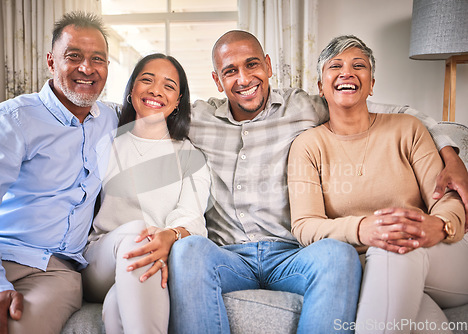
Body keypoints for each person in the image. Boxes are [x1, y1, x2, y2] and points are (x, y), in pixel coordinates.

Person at [168, 30, 468, 334]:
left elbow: (388, 110)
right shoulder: (196, 119)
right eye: (230, 71)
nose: (244, 79)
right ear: (218, 81)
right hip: (227, 255)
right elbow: (147, 115)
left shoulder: (304, 108)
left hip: (291, 254)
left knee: (338, 254)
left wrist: (450, 152)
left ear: (269, 66)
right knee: (187, 250)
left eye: (252, 65)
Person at [288, 35, 468, 334]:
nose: (347, 72)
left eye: (359, 65)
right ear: (320, 86)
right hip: (375, 272)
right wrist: (365, 229)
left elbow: (445, 198)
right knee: (422, 318)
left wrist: (440, 225)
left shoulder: (407, 128)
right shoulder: (308, 145)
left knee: (393, 245)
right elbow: (305, 225)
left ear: (371, 84)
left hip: (438, 254)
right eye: (336, 66)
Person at [0, 12, 118, 334]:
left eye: (98, 59)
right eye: (74, 56)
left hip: (57, 272)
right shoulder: (11, 120)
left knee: (16, 327)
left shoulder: (112, 119)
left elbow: (161, 103)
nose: (87, 68)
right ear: (51, 62)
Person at [81, 53, 210, 334]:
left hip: (155, 262)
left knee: (117, 305)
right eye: (147, 80)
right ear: (131, 90)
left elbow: (193, 219)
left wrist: (168, 236)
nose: (155, 91)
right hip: (100, 260)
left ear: (178, 102)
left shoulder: (190, 157)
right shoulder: (105, 143)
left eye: (169, 86)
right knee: (140, 233)